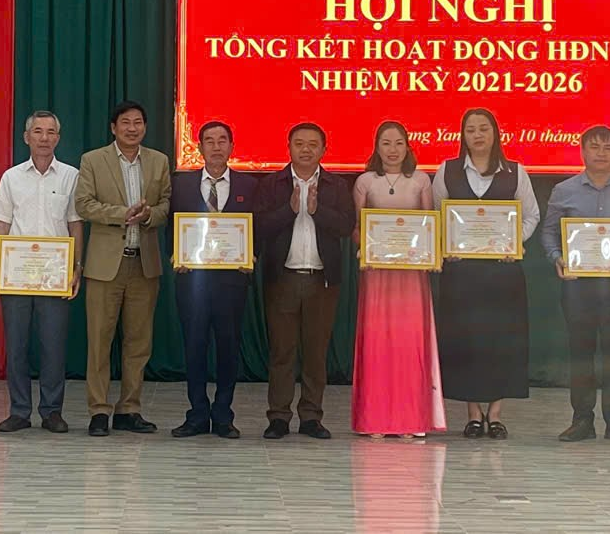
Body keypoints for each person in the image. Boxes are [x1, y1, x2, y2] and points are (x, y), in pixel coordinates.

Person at [540, 125, 610, 446]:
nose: (601, 153)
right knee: (581, 354)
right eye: (594, 146)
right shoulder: (564, 190)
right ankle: (582, 421)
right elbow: (549, 232)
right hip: (578, 286)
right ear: (582, 151)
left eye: (608, 147)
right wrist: (557, 258)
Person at [431, 108, 540, 439]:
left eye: (483, 129)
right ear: (462, 136)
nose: (477, 135)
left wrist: (513, 242)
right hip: (461, 274)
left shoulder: (516, 172)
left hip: (502, 273)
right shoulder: (447, 171)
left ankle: (495, 414)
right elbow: (437, 217)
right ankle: (473, 415)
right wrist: (445, 244)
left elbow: (531, 216)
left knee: (500, 343)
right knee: (467, 343)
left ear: (495, 134)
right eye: (470, 130)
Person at [75, 100, 172, 437]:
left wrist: (149, 216)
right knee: (99, 341)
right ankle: (99, 410)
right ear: (113, 128)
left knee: (139, 343)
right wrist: (122, 214)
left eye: (138, 122)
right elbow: (84, 205)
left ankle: (129, 409)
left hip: (144, 263)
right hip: (105, 266)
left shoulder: (159, 161)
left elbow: (166, 205)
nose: (133, 128)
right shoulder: (93, 160)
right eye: (126, 122)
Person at [255, 122, 354, 440]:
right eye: (299, 143)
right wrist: (290, 210)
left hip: (321, 280)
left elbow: (346, 226)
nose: (306, 149)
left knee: (315, 352)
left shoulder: (336, 186)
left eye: (313, 144)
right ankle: (278, 417)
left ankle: (311, 416)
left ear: (324, 149)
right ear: (289, 148)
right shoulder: (272, 183)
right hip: (282, 278)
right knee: (282, 351)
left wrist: (316, 210)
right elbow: (259, 226)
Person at [0, 110, 83, 434]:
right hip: (16, 275)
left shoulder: (71, 176)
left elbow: (75, 225)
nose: (44, 138)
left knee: (53, 346)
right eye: (38, 131)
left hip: (55, 276)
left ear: (58, 138)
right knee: (16, 346)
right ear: (26, 137)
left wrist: (77, 268)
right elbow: (1, 223)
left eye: (50, 132)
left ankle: (52, 411)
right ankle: (19, 411)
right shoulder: (11, 177)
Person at [351, 121, 445, 439]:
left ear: (408, 147)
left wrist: (431, 254)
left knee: (410, 342)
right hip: (377, 274)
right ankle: (375, 420)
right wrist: (367, 245)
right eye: (386, 143)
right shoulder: (365, 181)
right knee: (377, 343)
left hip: (412, 275)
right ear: (376, 147)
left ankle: (412, 420)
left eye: (399, 143)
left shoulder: (421, 180)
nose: (393, 150)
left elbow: (430, 224)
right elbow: (357, 228)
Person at [169, 120, 257, 439]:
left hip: (232, 282)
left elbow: (257, 229)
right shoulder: (180, 184)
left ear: (232, 147)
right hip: (192, 280)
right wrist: (175, 254)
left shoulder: (249, 185)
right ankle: (196, 414)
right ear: (199, 147)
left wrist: (251, 255)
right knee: (194, 347)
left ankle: (223, 415)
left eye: (222, 140)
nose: (216, 146)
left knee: (228, 348)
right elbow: (171, 226)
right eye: (210, 140)